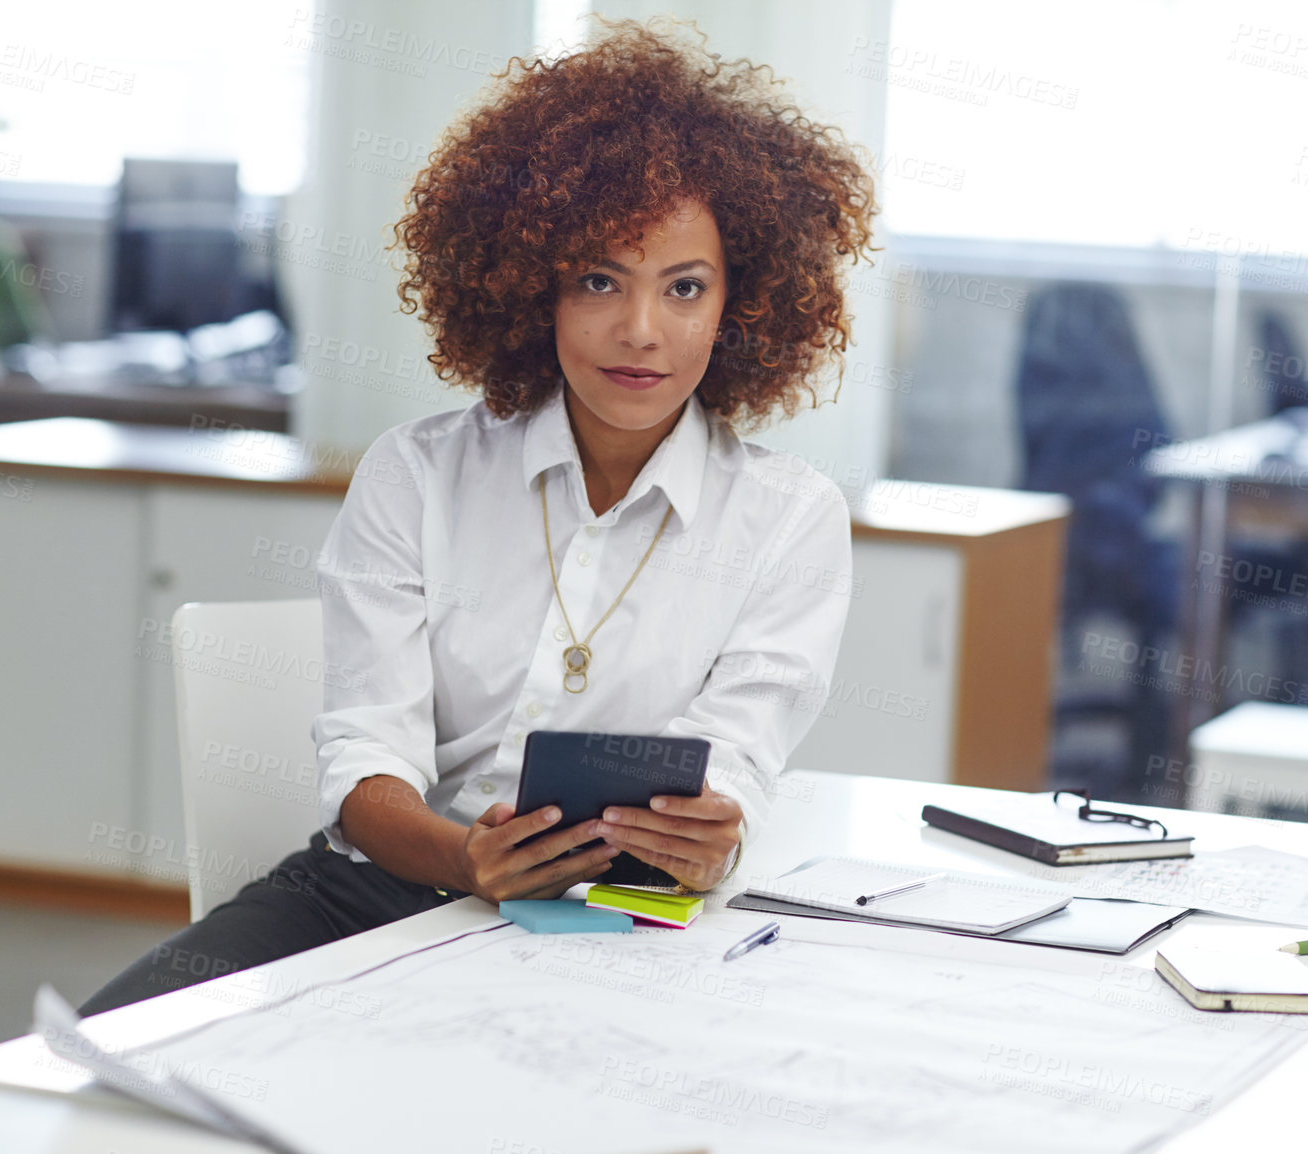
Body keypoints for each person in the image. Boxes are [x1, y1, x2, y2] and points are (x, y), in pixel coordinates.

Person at [77, 18, 878, 1017]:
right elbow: (367, 760)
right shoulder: (415, 475)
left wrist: (714, 828)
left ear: (739, 303)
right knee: (111, 1044)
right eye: (597, 280)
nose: (640, 330)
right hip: (369, 893)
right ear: (527, 284)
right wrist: (469, 857)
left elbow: (737, 761)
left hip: (623, 921)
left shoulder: (787, 518)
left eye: (684, 287)